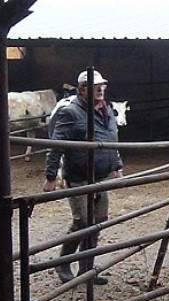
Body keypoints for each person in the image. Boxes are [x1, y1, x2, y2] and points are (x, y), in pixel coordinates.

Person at [43, 70, 124, 285]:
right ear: (81, 90)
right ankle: (63, 262)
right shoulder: (70, 113)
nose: (100, 89)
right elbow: (56, 145)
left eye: (102, 85)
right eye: (94, 86)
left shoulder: (106, 110)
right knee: (83, 223)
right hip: (79, 178)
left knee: (98, 222)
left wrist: (116, 164)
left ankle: (87, 270)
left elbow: (112, 138)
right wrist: (51, 176)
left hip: (101, 177)